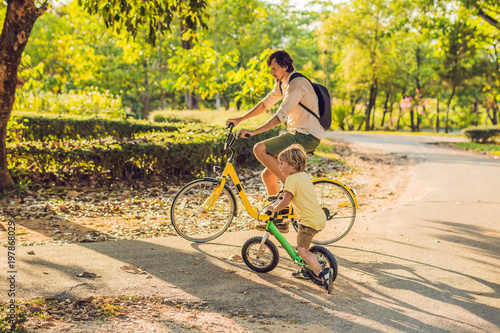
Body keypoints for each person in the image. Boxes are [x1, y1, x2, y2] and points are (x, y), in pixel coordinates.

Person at [226, 50, 325, 226]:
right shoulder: (282, 84)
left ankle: (294, 188)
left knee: (259, 149)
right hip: (298, 134)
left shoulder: (296, 84)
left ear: (285, 67)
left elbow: (280, 116)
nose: (271, 72)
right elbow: (265, 104)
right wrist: (239, 119)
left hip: (307, 136)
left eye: (274, 68)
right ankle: (280, 220)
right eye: (270, 68)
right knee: (268, 176)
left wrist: (254, 132)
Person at [266, 144, 333, 294]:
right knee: (304, 247)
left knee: (302, 250)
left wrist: (273, 209)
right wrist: (279, 197)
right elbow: (290, 194)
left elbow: (286, 201)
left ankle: (323, 274)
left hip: (308, 221)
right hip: (318, 217)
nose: (279, 166)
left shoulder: (290, 180)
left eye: (282, 163)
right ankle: (305, 270)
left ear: (292, 165)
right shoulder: (303, 176)